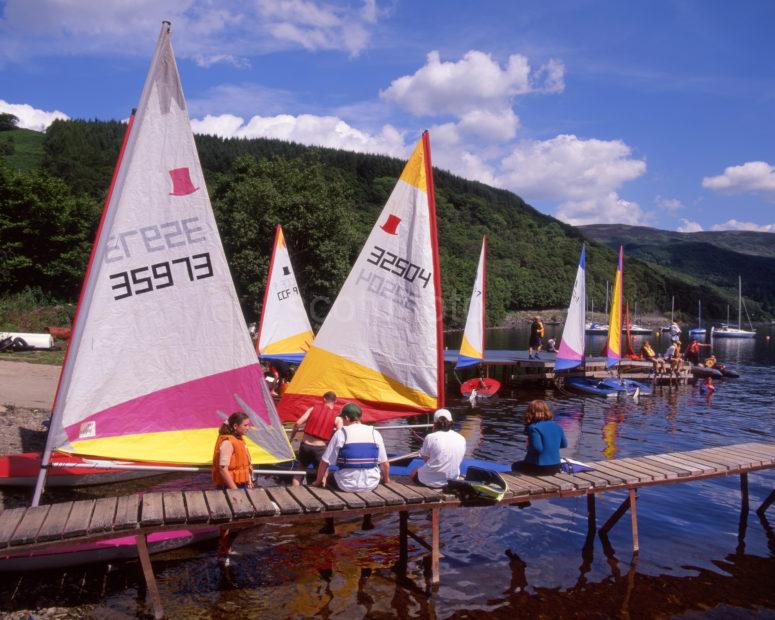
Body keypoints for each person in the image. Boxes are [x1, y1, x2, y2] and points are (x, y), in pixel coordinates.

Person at [313, 403, 390, 531]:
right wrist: (386, 480)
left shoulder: (340, 433)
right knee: (372, 476)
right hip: (371, 483)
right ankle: (367, 521)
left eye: (342, 418)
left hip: (346, 484)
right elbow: (385, 464)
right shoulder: (374, 432)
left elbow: (324, 462)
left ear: (347, 418)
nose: (342, 421)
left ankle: (329, 524)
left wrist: (318, 481)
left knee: (328, 480)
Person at [212, 412, 254, 565]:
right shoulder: (228, 443)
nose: (248, 428)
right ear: (235, 426)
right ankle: (223, 553)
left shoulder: (239, 440)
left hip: (241, 485)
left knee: (238, 521)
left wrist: (249, 480)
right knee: (228, 523)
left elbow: (246, 464)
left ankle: (226, 548)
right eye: (246, 425)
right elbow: (223, 469)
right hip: (229, 488)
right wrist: (235, 490)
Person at [289, 391, 342, 485]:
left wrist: (291, 438)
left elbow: (297, 423)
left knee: (299, 471)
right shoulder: (337, 418)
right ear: (335, 401)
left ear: (324, 399)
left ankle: (294, 491)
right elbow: (340, 435)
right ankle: (321, 491)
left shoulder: (312, 409)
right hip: (320, 448)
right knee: (323, 473)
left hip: (305, 445)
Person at [410, 409, 466, 488]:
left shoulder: (430, 437)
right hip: (451, 481)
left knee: (413, 471)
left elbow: (426, 460)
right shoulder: (461, 438)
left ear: (435, 423)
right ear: (451, 422)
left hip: (431, 481)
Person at [511, 400, 567, 476]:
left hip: (540, 467)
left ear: (530, 412)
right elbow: (564, 445)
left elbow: (537, 448)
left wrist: (528, 446)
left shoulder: (533, 427)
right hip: (556, 466)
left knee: (515, 466)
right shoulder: (557, 426)